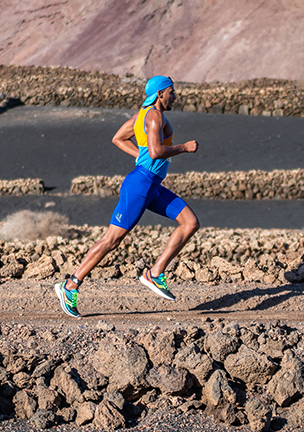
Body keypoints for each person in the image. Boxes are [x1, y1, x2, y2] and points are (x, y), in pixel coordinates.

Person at [54, 75, 200, 318]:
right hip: (140, 185)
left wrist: (139, 157)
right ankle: (70, 286)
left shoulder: (140, 115)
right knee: (112, 240)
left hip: (151, 184)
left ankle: (154, 273)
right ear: (160, 93)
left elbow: (118, 139)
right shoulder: (153, 116)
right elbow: (155, 152)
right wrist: (184, 147)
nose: (175, 96)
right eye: (171, 92)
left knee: (190, 222)